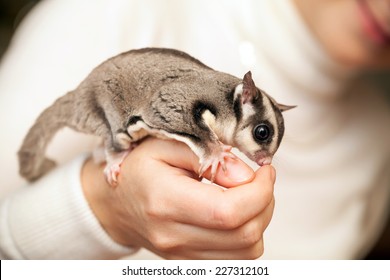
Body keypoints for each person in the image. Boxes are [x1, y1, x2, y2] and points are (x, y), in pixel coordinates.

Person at [0, 0, 389, 259]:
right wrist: (101, 207)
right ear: (244, 99)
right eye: (262, 139)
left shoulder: (378, 140)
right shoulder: (121, 10)